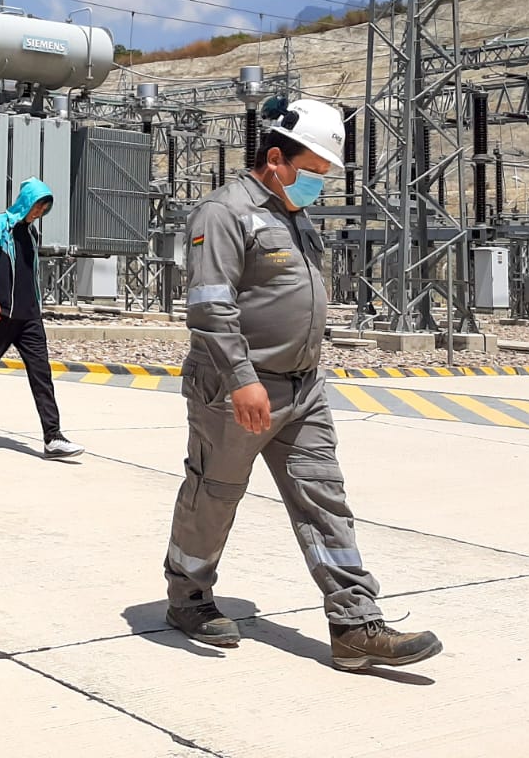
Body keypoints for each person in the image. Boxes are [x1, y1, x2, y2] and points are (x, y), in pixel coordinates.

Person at [163, 98, 442, 671]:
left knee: (325, 500)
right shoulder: (223, 213)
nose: (321, 182)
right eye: (313, 171)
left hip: (304, 388)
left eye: (325, 174)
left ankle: (355, 624)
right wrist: (243, 381)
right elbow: (211, 309)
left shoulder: (296, 216)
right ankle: (189, 595)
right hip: (234, 389)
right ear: (275, 158)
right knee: (215, 494)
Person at [0, 178, 84, 459]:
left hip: (29, 318)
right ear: (25, 201)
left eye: (43, 208)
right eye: (37, 206)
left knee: (42, 375)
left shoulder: (31, 235)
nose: (38, 212)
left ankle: (52, 437)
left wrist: (38, 308)